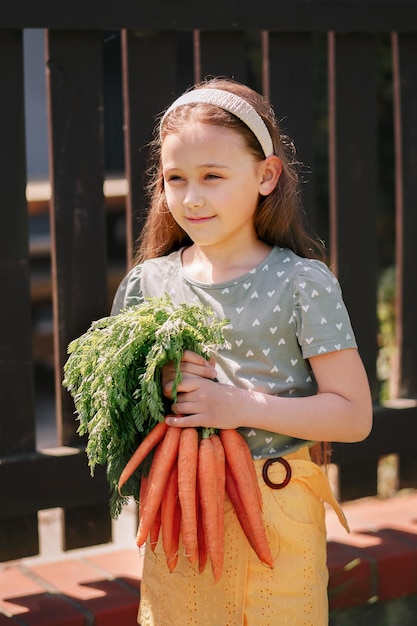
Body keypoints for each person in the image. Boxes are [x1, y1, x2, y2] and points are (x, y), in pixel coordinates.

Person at [111, 77, 373, 626]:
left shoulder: (302, 282)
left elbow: (353, 415)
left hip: (277, 519)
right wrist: (156, 390)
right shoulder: (147, 284)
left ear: (266, 175)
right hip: (178, 525)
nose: (192, 196)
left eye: (212, 176)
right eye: (175, 179)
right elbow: (116, 418)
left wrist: (238, 405)